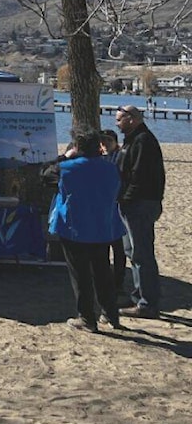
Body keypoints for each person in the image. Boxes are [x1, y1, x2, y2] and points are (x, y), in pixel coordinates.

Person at [45, 128, 125, 333]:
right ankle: (111, 313)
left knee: (80, 274)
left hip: (75, 227)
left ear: (78, 147)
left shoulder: (68, 167)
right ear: (98, 147)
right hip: (102, 225)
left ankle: (87, 317)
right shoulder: (111, 168)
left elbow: (45, 175)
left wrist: (65, 156)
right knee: (102, 271)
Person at [114, 104, 166, 319]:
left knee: (141, 253)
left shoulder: (143, 140)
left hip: (140, 204)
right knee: (132, 252)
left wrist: (127, 198)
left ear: (132, 118)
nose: (117, 123)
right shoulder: (131, 139)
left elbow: (140, 175)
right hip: (131, 203)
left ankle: (147, 303)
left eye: (119, 120)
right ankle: (138, 296)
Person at [100, 129, 127, 295]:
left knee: (119, 247)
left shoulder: (121, 156)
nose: (104, 145)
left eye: (108, 141)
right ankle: (106, 279)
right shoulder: (101, 157)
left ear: (115, 142)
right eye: (102, 142)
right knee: (103, 247)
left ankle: (118, 281)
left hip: (117, 205)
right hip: (104, 206)